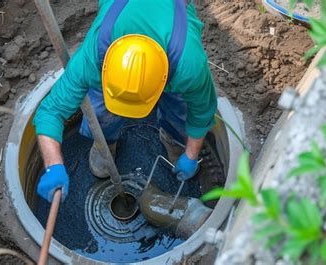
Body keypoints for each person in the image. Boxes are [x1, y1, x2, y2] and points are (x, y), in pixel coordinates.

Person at [34, 0, 217, 203]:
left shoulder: (188, 65)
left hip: (172, 30)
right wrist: (53, 166)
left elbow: (202, 111)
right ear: (105, 70)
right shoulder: (93, 57)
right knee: (99, 110)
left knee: (180, 108)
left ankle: (174, 141)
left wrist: (191, 156)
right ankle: (105, 144)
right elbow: (51, 111)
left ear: (163, 82)